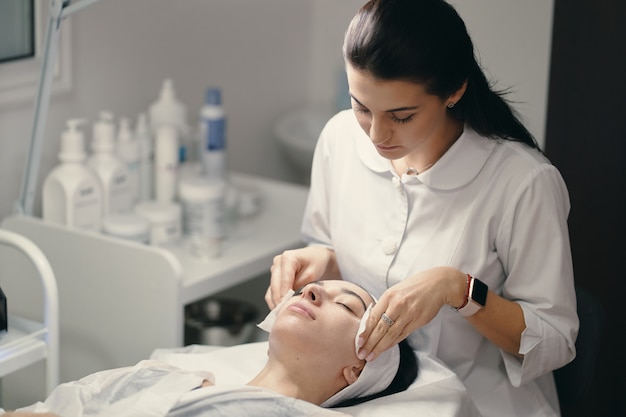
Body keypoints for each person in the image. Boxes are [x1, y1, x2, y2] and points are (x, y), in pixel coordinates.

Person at [266, 0, 578, 416]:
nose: (377, 134)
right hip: (362, 398)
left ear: (454, 91)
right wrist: (321, 260)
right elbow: (334, 249)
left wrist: (459, 290)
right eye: (361, 106)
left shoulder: (522, 183)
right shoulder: (340, 139)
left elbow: (554, 340)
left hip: (476, 402)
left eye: (402, 115)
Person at [2, 280, 418, 417]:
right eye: (314, 288)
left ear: (355, 371)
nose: (311, 290)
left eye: (346, 305)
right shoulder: (169, 376)